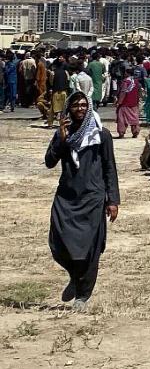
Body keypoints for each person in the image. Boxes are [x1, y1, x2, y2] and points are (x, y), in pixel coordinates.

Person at [44, 92, 119, 311]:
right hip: (67, 196)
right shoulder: (63, 133)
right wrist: (61, 139)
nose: (79, 108)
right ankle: (73, 277)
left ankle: (83, 294)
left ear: (89, 107)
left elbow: (109, 168)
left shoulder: (101, 135)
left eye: (84, 105)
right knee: (58, 242)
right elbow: (49, 162)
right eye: (75, 105)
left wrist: (112, 200)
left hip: (93, 197)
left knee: (90, 248)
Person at [115, 68, 141, 138]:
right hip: (134, 103)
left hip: (125, 103)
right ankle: (135, 132)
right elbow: (138, 93)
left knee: (121, 119)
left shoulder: (125, 82)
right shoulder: (136, 82)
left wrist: (119, 102)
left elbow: (123, 93)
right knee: (134, 118)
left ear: (127, 73)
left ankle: (121, 133)